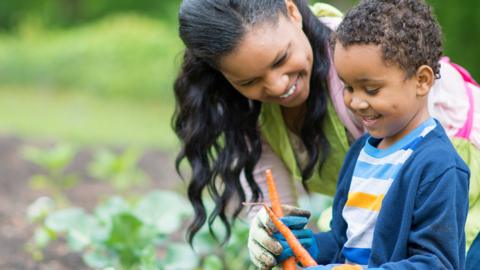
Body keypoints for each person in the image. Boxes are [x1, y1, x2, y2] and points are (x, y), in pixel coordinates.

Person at [173, 0, 479, 263]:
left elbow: (434, 251)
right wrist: (278, 236)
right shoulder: (363, 150)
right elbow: (347, 232)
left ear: (293, 12)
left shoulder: (372, 60)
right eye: (249, 81)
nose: (278, 85)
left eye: (281, 59)